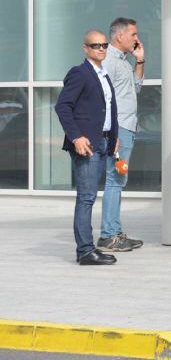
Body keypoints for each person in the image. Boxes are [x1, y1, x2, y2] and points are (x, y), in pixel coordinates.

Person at [55, 30, 120, 265]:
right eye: (95, 46)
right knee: (86, 198)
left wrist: (114, 137)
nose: (101, 49)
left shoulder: (103, 75)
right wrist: (76, 137)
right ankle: (84, 251)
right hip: (87, 144)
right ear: (85, 48)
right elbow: (62, 107)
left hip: (103, 142)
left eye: (104, 45)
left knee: (91, 196)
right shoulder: (79, 73)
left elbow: (108, 110)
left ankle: (89, 248)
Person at [97, 17, 145, 253]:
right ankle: (108, 235)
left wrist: (140, 61)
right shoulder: (109, 61)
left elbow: (135, 87)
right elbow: (103, 98)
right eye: (133, 34)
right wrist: (113, 132)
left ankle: (114, 232)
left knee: (119, 179)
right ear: (120, 36)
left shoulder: (123, 61)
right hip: (118, 130)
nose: (136, 38)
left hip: (127, 128)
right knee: (114, 180)